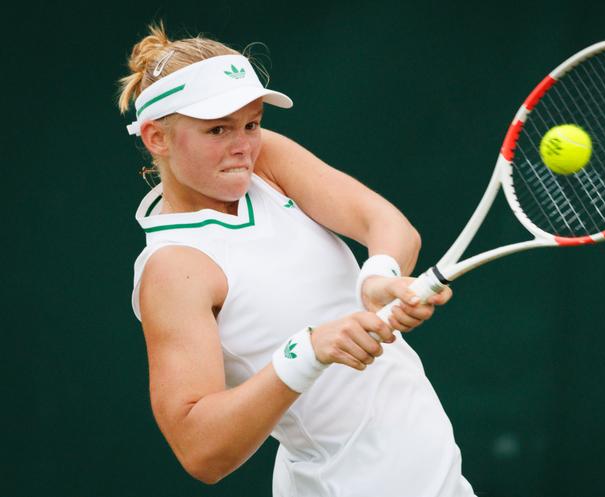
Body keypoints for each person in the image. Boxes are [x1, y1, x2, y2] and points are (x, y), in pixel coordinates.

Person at [119, 22, 477, 497]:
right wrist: (306, 352)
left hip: (437, 476)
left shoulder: (265, 162)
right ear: (156, 138)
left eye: (251, 123)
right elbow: (200, 450)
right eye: (217, 129)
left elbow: (387, 226)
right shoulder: (174, 269)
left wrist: (379, 275)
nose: (242, 146)